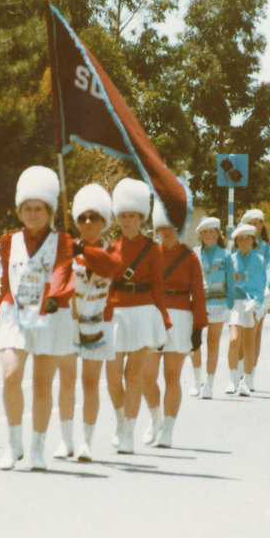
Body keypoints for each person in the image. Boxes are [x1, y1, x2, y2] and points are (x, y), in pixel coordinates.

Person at [0, 166, 75, 470]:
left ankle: (37, 447)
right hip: (15, 313)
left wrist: (54, 296)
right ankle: (13, 443)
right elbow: (7, 280)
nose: (33, 214)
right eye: (27, 208)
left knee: (42, 384)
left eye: (38, 208)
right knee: (11, 375)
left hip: (49, 313)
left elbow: (62, 270)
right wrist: (1, 303)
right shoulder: (8, 240)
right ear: (19, 211)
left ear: (49, 210)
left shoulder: (62, 240)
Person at [103, 178, 170, 454]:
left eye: (133, 216)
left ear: (141, 218)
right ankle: (120, 421)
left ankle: (129, 433)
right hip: (116, 314)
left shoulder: (153, 249)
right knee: (112, 376)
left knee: (134, 376)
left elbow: (158, 287)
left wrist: (164, 320)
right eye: (123, 216)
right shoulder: (111, 248)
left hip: (143, 313)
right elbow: (105, 286)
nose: (128, 221)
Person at [56, 184, 121, 462]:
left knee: (90, 382)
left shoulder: (111, 250)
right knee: (67, 380)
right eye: (82, 218)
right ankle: (65, 440)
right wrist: (70, 251)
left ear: (104, 222)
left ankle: (86, 441)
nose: (87, 223)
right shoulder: (68, 249)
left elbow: (109, 266)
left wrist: (82, 249)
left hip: (97, 324)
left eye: (94, 217)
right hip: (69, 322)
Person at [142, 197, 207, 448]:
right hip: (154, 316)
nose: (168, 231)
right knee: (146, 376)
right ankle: (155, 418)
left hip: (180, 318)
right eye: (164, 226)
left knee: (172, 376)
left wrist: (198, 328)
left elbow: (198, 295)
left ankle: (168, 429)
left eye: (172, 226)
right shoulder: (150, 254)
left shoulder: (190, 257)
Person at [190, 216, 234, 399]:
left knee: (213, 343)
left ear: (217, 234)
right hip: (198, 304)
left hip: (218, 304)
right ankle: (196, 381)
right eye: (205, 232)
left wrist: (229, 305)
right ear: (200, 235)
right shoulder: (194, 253)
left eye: (212, 231)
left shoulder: (226, 254)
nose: (208, 235)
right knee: (194, 343)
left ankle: (209, 384)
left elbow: (230, 282)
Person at [226, 223, 266, 396]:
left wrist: (257, 303)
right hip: (236, 303)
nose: (244, 243)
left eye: (247, 239)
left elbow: (261, 284)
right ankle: (232, 379)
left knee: (249, 343)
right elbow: (228, 283)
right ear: (236, 242)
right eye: (240, 240)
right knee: (234, 340)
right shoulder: (231, 259)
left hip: (252, 304)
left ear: (252, 240)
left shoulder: (259, 260)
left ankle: (247, 380)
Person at [239, 209, 270, 390]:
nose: (254, 226)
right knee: (240, 332)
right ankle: (239, 371)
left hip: (260, 292)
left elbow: (269, 268)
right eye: (251, 223)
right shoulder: (240, 242)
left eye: (257, 223)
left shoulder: (266, 247)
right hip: (242, 292)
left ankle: (250, 374)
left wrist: (265, 286)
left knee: (255, 333)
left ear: (261, 225)